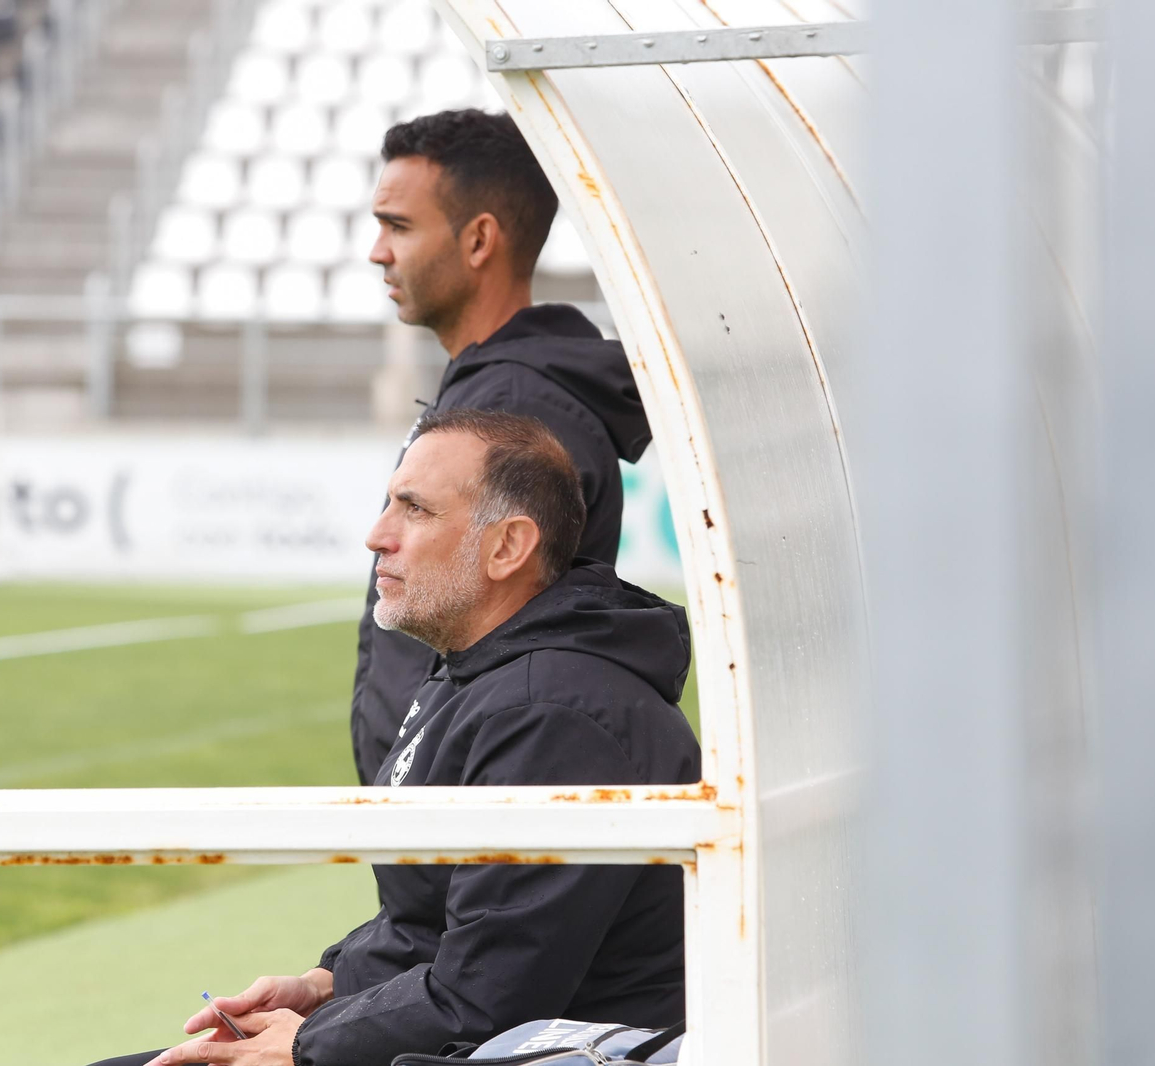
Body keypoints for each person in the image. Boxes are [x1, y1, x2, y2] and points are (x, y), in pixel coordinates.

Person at [86, 410, 700, 1066]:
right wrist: (325, 987)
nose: (378, 535)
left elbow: (486, 999)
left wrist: (307, 1046)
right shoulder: (481, 674)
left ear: (507, 547)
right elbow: (431, 923)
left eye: (414, 509)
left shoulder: (552, 715)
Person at [352, 108, 653, 786]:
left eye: (398, 226)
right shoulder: (499, 390)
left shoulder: (512, 411)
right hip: (454, 813)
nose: (378, 251)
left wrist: (423, 794)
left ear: (480, 239)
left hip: (469, 818)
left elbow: (491, 633)